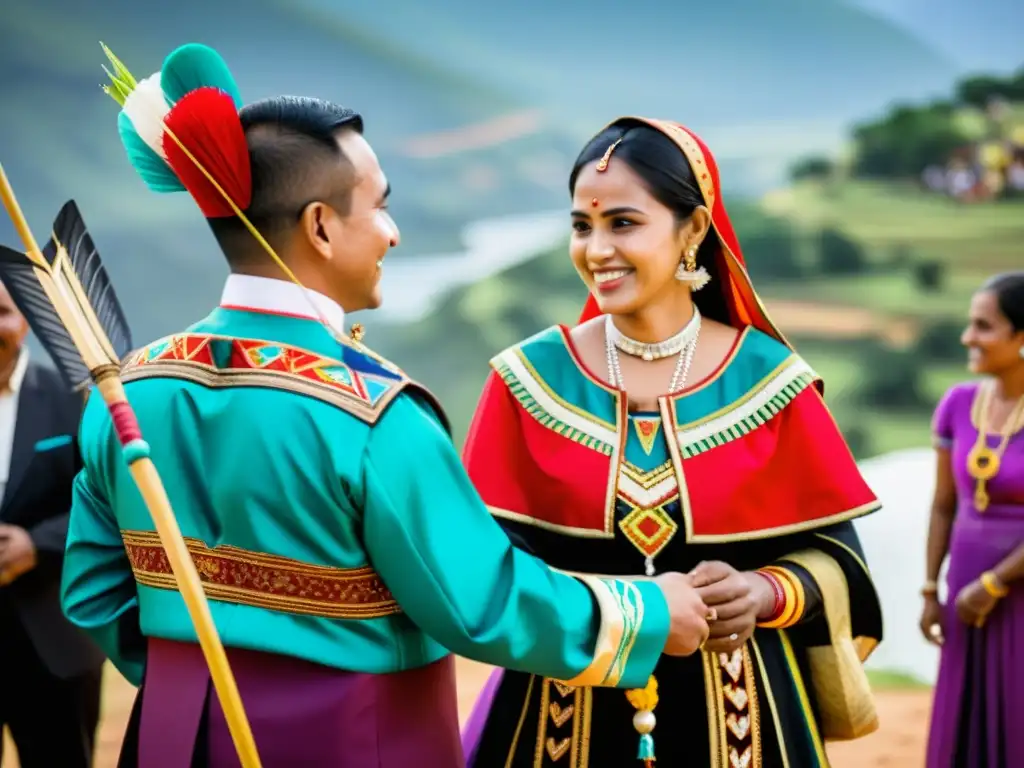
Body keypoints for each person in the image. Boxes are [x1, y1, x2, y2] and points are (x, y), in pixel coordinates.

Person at [59, 45, 712, 767]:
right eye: (381, 206)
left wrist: (197, 677)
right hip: (353, 741)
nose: (393, 233)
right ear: (320, 226)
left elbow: (92, 590)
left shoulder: (125, 392)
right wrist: (649, 613)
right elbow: (480, 601)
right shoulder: (372, 416)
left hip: (176, 739)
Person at [460, 117, 885, 767]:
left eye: (623, 223)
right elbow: (487, 569)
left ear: (693, 229)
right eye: (582, 225)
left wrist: (763, 593)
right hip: (560, 715)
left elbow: (839, 563)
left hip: (745, 716)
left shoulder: (771, 382)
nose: (596, 248)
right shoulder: (526, 381)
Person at [921, 271, 1024, 767]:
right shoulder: (958, 404)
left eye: (983, 326)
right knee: (965, 715)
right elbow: (944, 503)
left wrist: (996, 583)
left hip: (1013, 586)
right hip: (964, 589)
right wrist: (928, 590)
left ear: (1021, 337)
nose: (969, 338)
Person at [0, 280, 105, 767]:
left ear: (24, 319)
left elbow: (110, 502)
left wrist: (37, 543)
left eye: (1, 312)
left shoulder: (78, 399)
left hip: (56, 639)